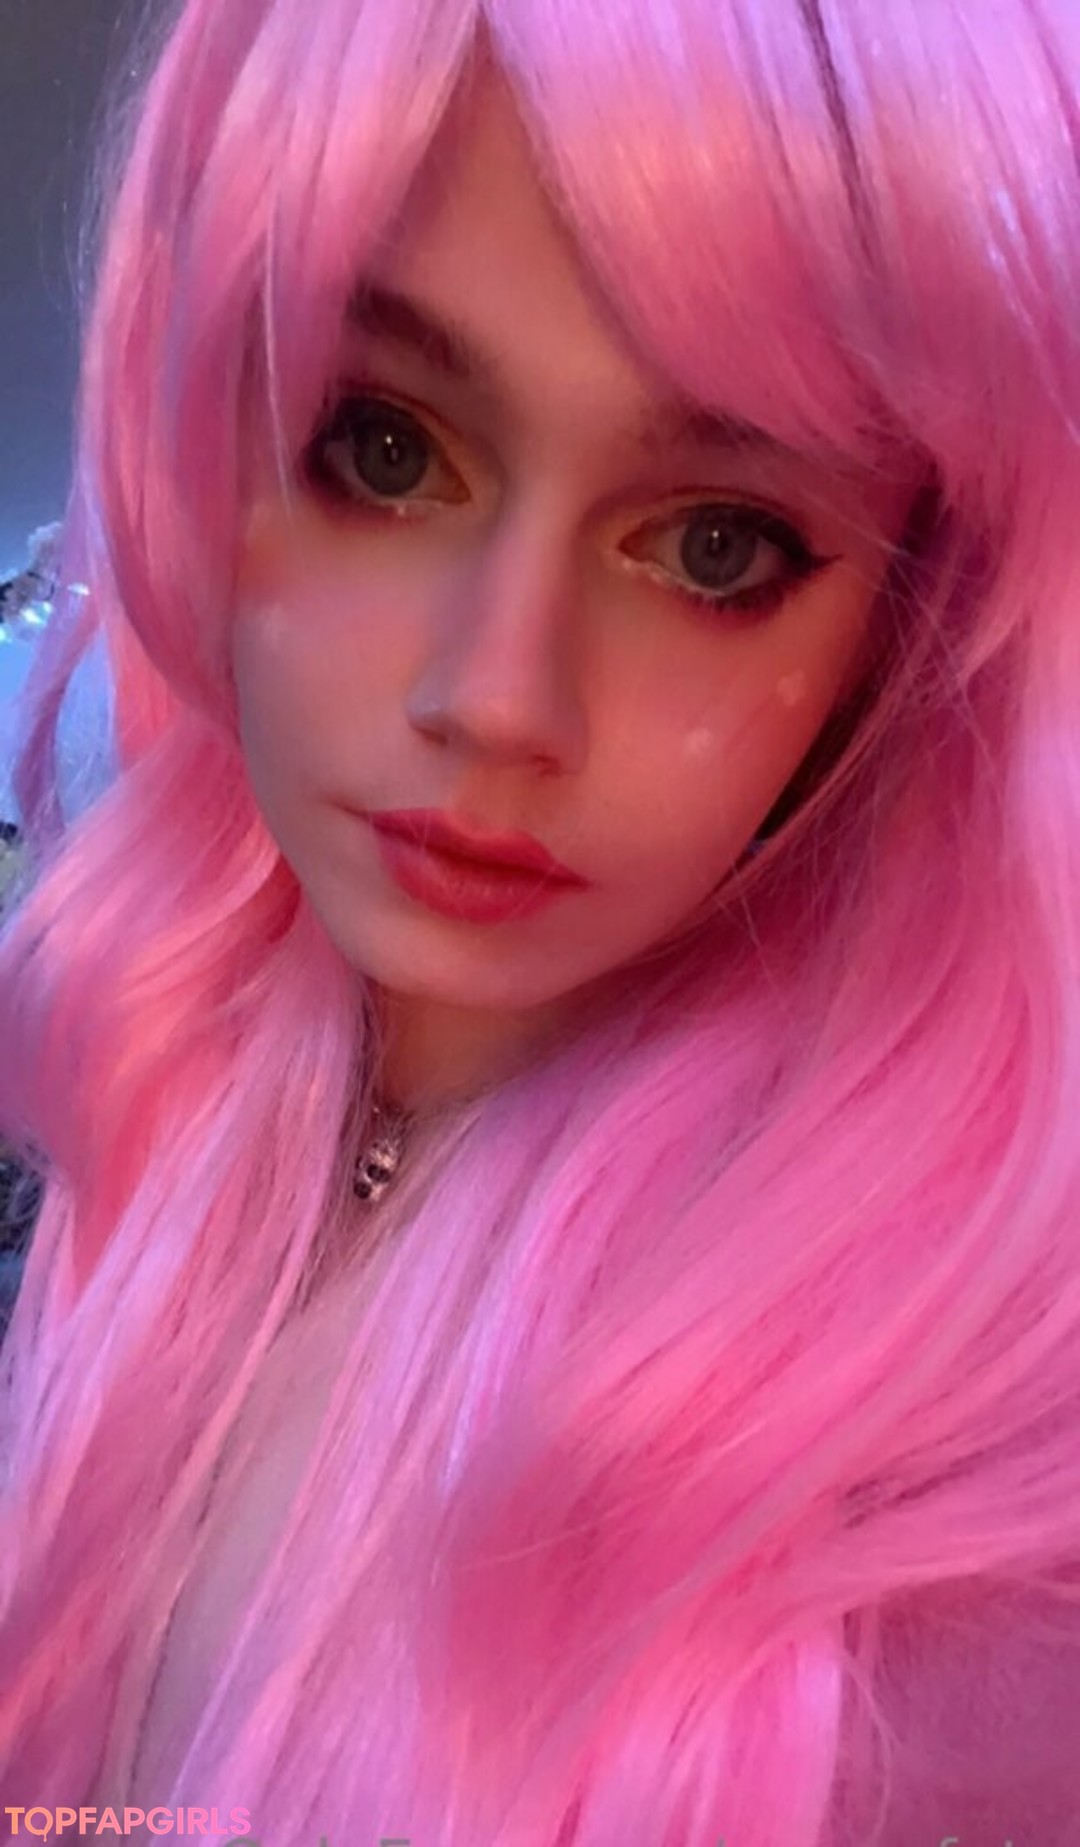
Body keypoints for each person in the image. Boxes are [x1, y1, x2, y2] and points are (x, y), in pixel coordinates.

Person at [2, 0, 1080, 1840]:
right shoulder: (194, 1071)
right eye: (381, 446)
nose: (498, 698)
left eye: (719, 543)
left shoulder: (931, 1601)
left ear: (900, 623)